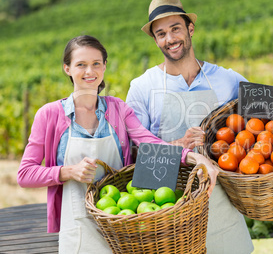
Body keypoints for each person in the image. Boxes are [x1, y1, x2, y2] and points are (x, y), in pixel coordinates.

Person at [126, 0, 273, 254]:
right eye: (161, 33)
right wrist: (178, 147)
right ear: (155, 39)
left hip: (222, 209)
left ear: (190, 28)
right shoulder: (142, 87)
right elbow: (133, 156)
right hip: (170, 217)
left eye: (175, 28)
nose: (170, 39)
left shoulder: (226, 80)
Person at [17, 35, 218, 254]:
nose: (89, 72)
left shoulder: (118, 109)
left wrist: (194, 157)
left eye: (96, 64)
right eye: (80, 65)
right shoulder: (49, 115)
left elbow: (149, 143)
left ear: (104, 66)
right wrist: (68, 171)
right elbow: (25, 174)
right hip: (76, 225)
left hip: (122, 225)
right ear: (67, 69)